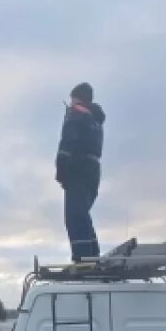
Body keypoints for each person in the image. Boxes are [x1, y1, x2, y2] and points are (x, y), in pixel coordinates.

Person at [56, 82, 106, 262]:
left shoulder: (76, 115)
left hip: (77, 169)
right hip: (93, 171)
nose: (70, 103)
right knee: (83, 214)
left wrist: (61, 171)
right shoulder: (95, 119)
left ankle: (83, 257)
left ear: (78, 99)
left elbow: (67, 144)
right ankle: (92, 253)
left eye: (73, 99)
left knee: (74, 215)